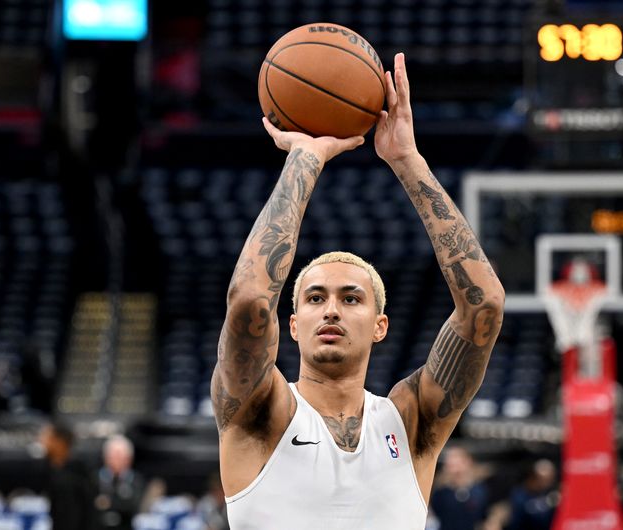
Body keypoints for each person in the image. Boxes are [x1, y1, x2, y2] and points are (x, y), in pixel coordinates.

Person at [211, 52, 505, 529]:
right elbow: (248, 299)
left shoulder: (411, 425)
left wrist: (407, 161)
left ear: (379, 325)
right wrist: (306, 157)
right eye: (314, 298)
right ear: (292, 324)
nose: (331, 310)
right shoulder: (261, 411)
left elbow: (485, 305)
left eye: (351, 298)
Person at [39, 421, 95, 530]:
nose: (42, 441)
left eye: (47, 437)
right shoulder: (47, 468)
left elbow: (84, 513)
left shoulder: (77, 473)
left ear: (59, 442)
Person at [431, 447, 491, 530]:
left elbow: (485, 518)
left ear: (468, 462)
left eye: (458, 464)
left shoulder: (480, 491)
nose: (455, 470)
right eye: (451, 465)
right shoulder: (440, 494)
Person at [93, 434, 146, 530]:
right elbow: (91, 505)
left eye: (120, 456)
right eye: (113, 456)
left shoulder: (136, 480)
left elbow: (135, 506)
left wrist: (108, 502)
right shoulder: (95, 478)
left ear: (129, 459)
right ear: (105, 458)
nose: (116, 460)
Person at [506, 460, 558, 530]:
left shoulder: (550, 493)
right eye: (545, 480)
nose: (548, 483)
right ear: (534, 477)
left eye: (550, 479)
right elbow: (515, 522)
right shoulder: (520, 495)